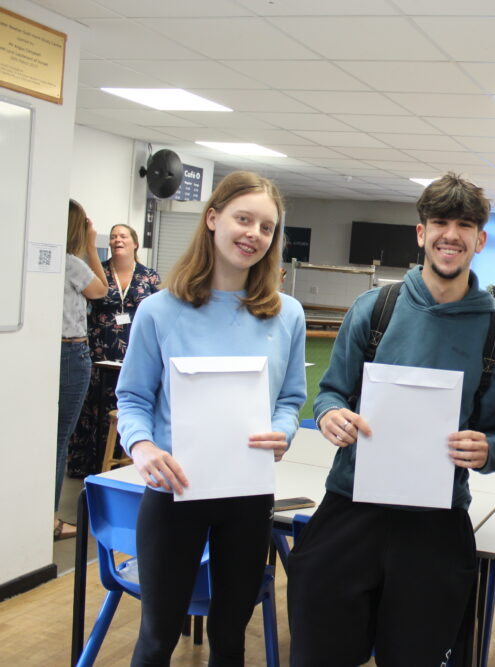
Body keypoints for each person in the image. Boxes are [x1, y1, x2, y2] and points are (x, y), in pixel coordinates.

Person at [286, 173, 495, 666]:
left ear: (480, 239)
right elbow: (329, 394)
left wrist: (488, 450)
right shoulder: (375, 309)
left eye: (464, 224)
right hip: (351, 507)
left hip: (436, 525)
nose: (450, 234)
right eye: (439, 222)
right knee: (319, 652)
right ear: (421, 233)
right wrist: (330, 418)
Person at [115, 171, 306, 665]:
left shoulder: (287, 315)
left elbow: (290, 399)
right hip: (173, 493)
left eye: (267, 227)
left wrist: (283, 431)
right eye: (244, 219)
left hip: (247, 495)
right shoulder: (158, 310)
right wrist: (143, 448)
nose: (255, 235)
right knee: (157, 636)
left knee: (230, 637)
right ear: (213, 218)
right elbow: (133, 399)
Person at [67, 223, 160, 478]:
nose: (117, 240)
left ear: (135, 243)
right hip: (99, 348)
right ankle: (88, 467)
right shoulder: (99, 271)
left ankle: (127, 466)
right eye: (114, 236)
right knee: (92, 407)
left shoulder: (148, 276)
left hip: (135, 351)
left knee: (126, 406)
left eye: (123, 236)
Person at [55, 200, 109, 539]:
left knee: (48, 437)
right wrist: (91, 245)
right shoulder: (72, 263)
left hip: (48, 349)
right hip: (71, 351)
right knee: (59, 439)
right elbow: (100, 290)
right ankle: (51, 520)